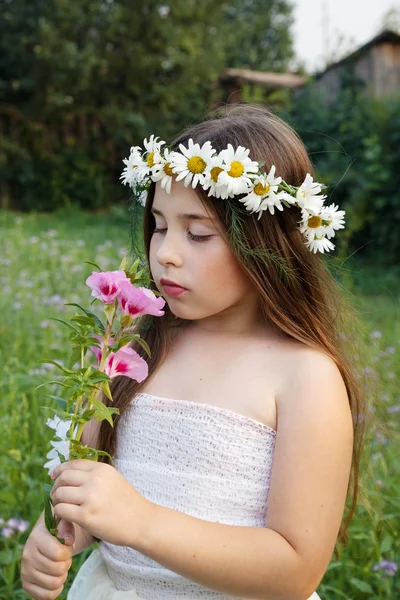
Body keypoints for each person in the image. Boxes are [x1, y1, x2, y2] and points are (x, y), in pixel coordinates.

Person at [22, 103, 366, 600]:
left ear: (267, 242)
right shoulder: (137, 348)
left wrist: (141, 522)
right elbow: (91, 479)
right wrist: (61, 532)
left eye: (199, 233)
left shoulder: (303, 377)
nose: (165, 252)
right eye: (159, 225)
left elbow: (296, 569)